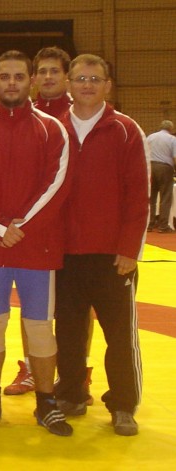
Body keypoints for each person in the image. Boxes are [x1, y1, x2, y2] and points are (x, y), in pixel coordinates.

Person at [0, 50, 72, 437]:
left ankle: (46, 403)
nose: (12, 83)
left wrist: (19, 225)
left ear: (31, 81)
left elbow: (57, 183)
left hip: (36, 247)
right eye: (5, 76)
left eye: (19, 76)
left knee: (40, 327)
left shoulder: (52, 129)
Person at [54, 54, 148, 437]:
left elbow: (138, 195)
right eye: (80, 79)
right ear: (69, 85)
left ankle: (123, 404)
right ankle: (72, 394)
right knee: (69, 332)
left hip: (113, 257)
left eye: (95, 79)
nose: (87, 85)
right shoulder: (55, 128)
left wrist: (130, 249)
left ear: (108, 85)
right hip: (64, 254)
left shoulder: (126, 130)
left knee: (120, 336)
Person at [5, 46, 98, 401]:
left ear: (67, 78)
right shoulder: (25, 115)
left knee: (78, 307)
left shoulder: (79, 116)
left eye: (54, 71)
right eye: (41, 71)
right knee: (32, 306)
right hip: (34, 231)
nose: (47, 77)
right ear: (33, 78)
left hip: (73, 231)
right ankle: (32, 367)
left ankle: (78, 371)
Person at [147, 120, 176, 233]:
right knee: (165, 196)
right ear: (171, 129)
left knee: (151, 197)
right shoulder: (172, 139)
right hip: (165, 168)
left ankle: (149, 223)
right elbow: (175, 157)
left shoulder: (150, 137)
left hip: (150, 167)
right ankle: (163, 225)